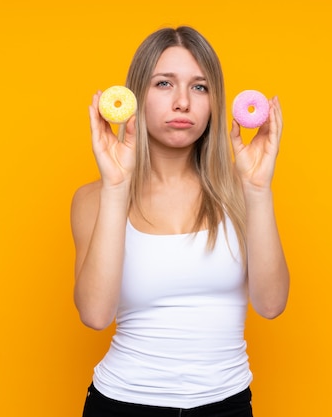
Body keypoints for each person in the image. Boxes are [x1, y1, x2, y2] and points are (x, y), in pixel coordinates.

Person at [71, 25, 289, 417]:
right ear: (136, 95)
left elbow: (271, 304)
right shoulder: (94, 198)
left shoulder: (242, 193)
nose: (183, 102)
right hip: (123, 406)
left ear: (215, 103)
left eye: (200, 87)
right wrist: (116, 188)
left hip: (227, 406)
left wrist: (258, 191)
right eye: (164, 84)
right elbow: (95, 315)